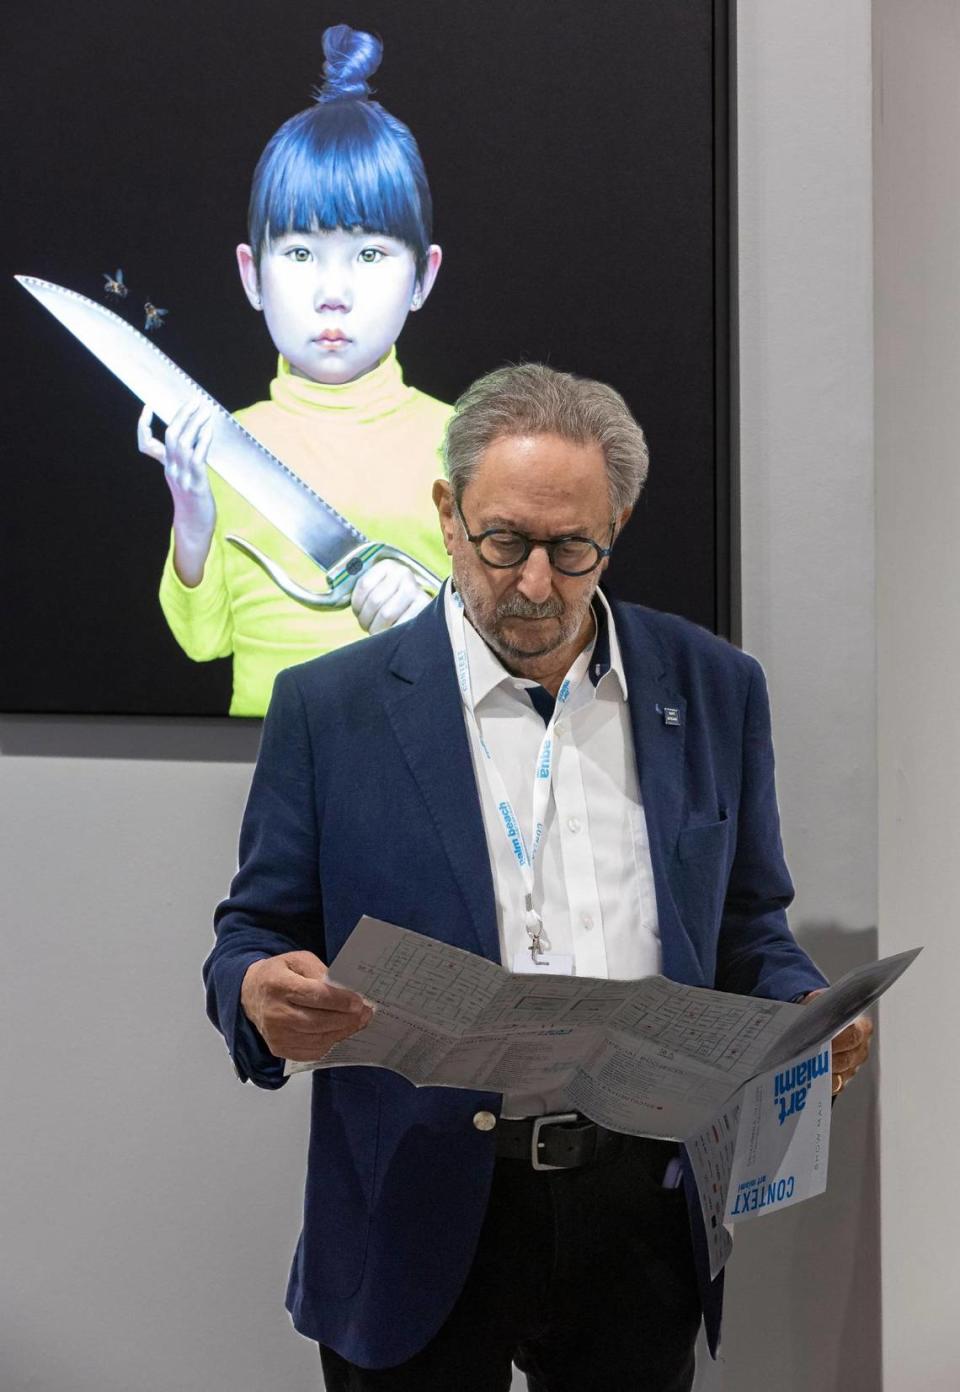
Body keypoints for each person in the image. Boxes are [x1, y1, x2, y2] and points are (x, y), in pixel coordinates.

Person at [204, 363, 874, 1390]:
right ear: (446, 513)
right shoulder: (329, 708)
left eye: (573, 550)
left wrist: (800, 1011)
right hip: (418, 1205)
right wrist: (257, 995)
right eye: (504, 542)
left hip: (640, 1205)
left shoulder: (715, 690)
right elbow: (253, 936)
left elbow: (748, 925)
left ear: (619, 522)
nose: (532, 584)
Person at [138, 24, 451, 717]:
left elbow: (518, 648)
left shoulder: (464, 443)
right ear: (252, 274)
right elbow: (203, 642)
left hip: (423, 771)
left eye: (369, 255)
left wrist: (434, 616)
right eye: (301, 254)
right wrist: (192, 516)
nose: (331, 291)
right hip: (268, 777)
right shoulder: (223, 442)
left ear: (422, 276)